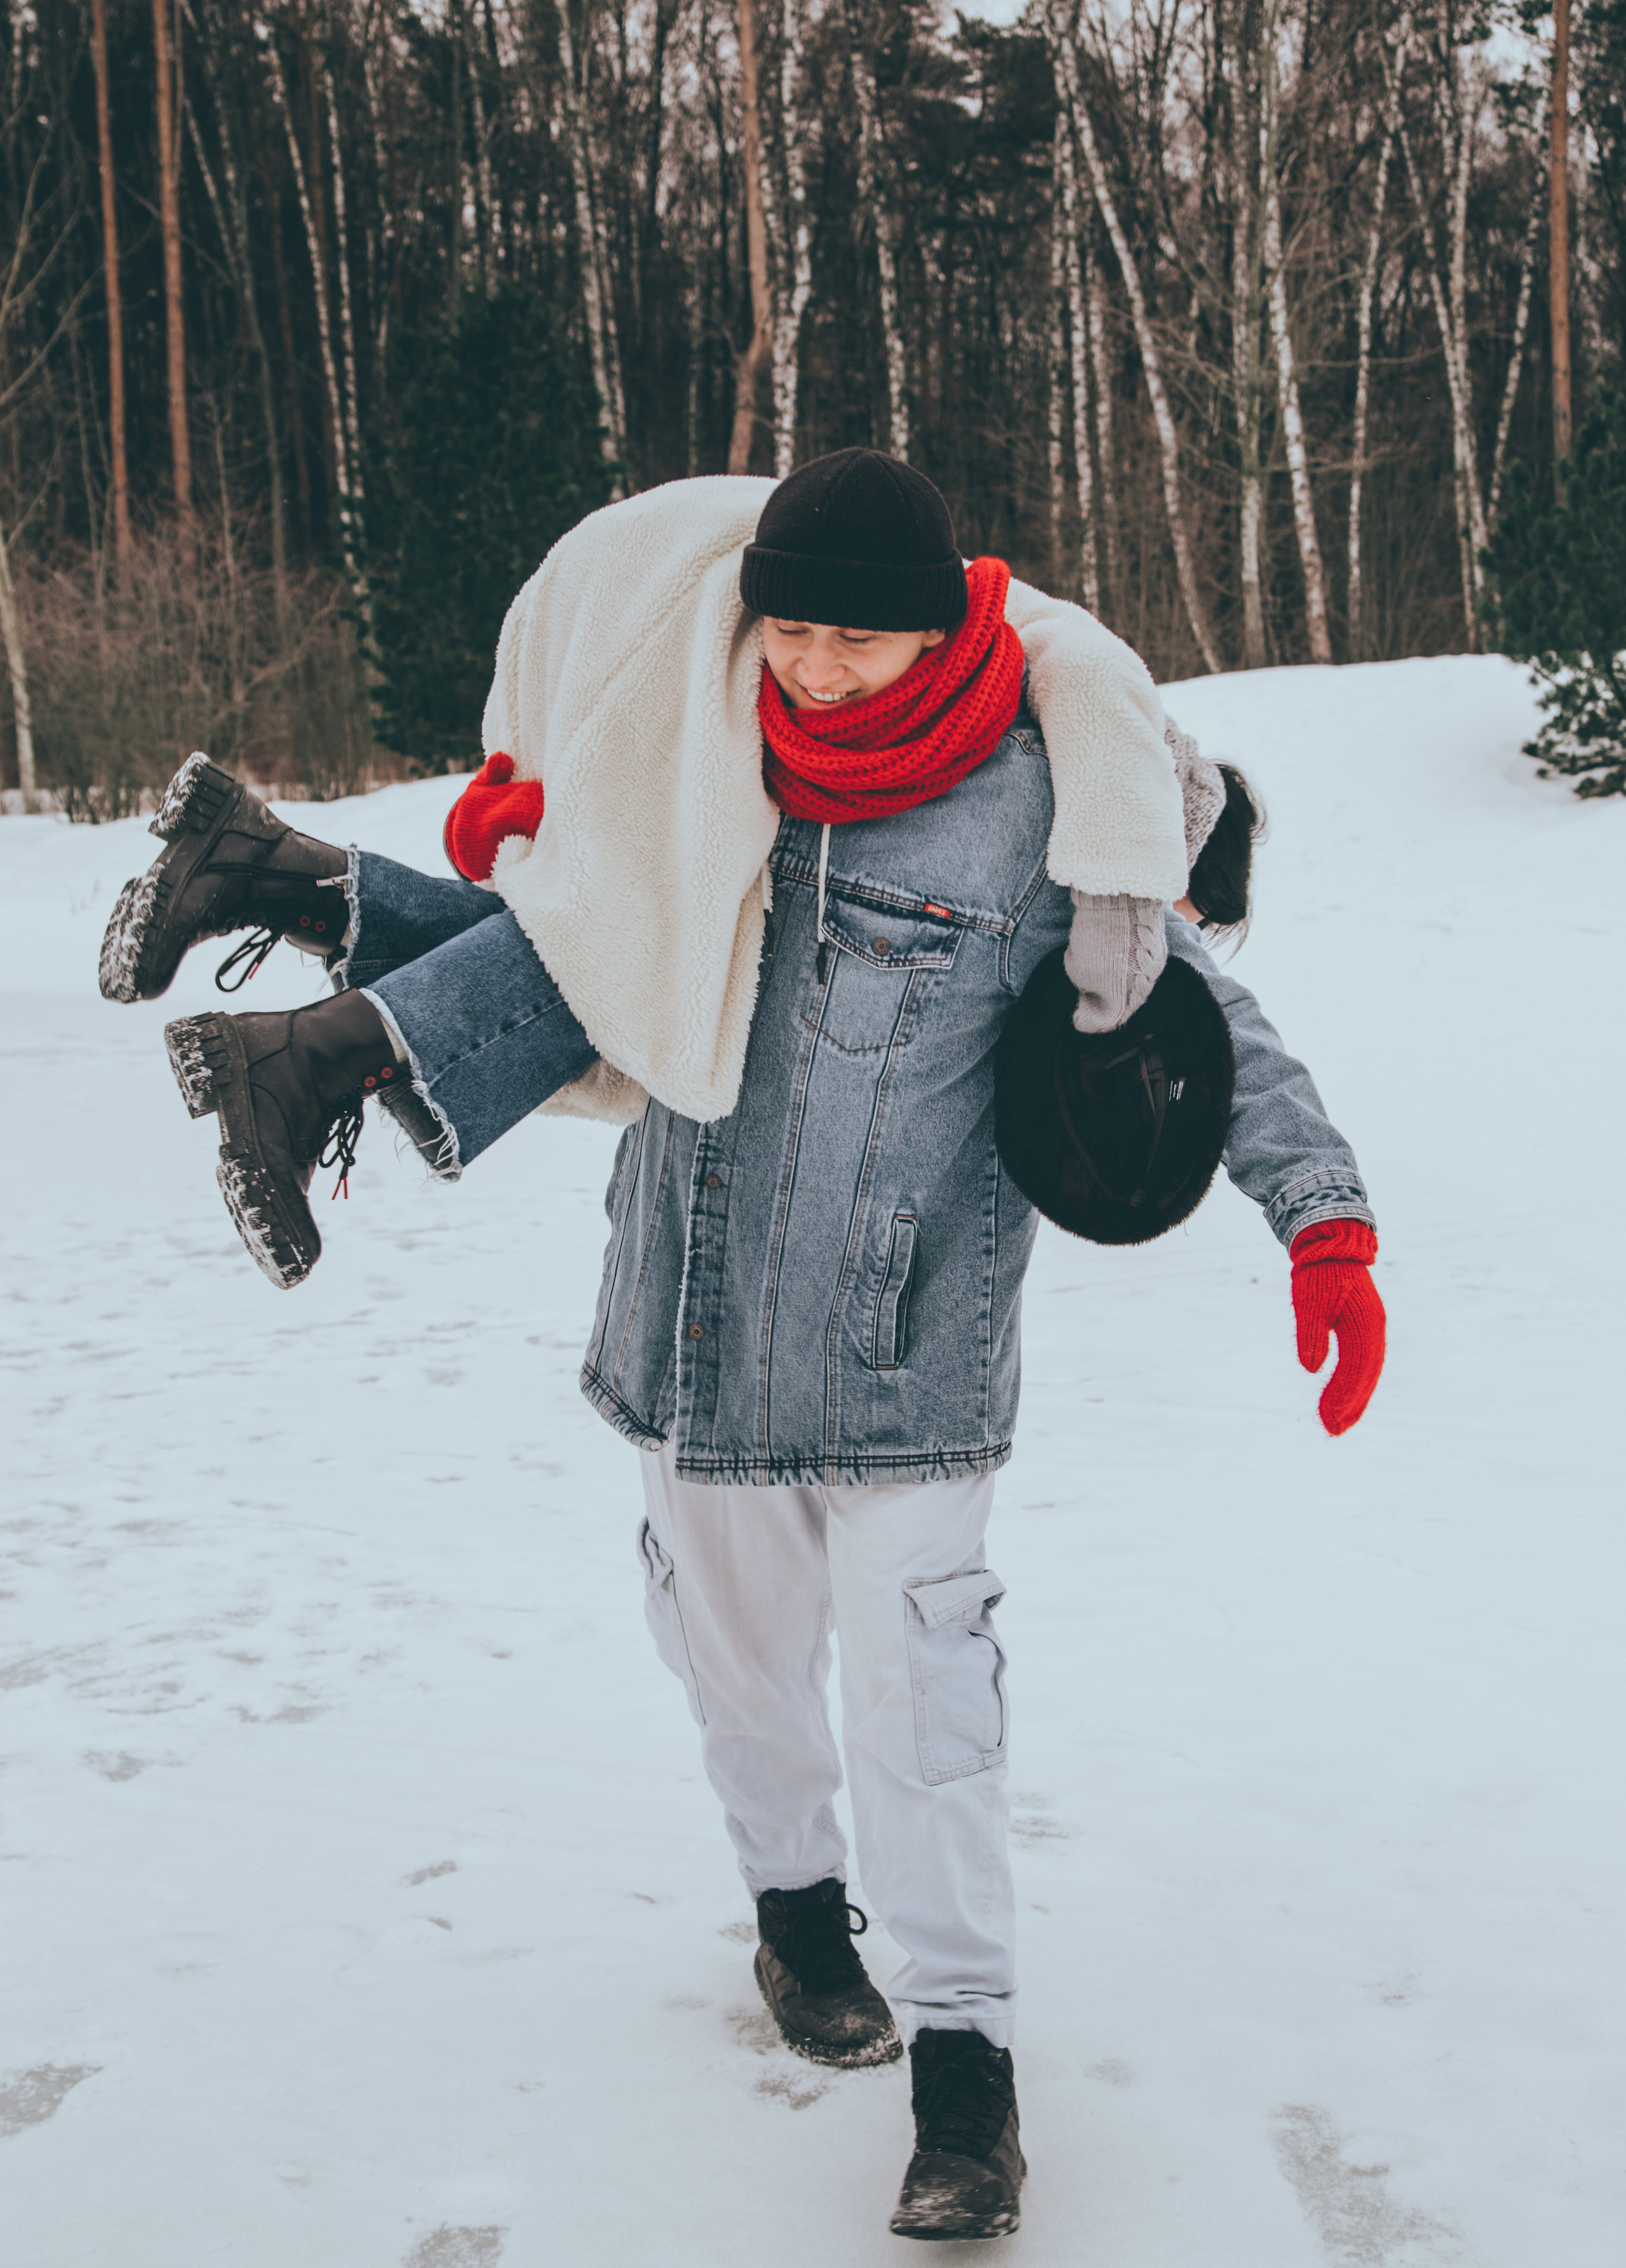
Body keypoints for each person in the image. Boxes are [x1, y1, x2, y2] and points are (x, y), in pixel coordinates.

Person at [100, 452, 1383, 2241]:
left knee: (924, 1718)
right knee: (739, 1672)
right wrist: (501, 828)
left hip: (908, 1358)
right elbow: (558, 947)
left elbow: (1201, 1005)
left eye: (856, 640)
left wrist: (1322, 1218)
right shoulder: (701, 750)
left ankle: (966, 2080)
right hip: (688, 1332)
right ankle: (795, 1919)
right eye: (789, 631)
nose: (815, 670)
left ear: (932, 634)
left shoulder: (1035, 808)